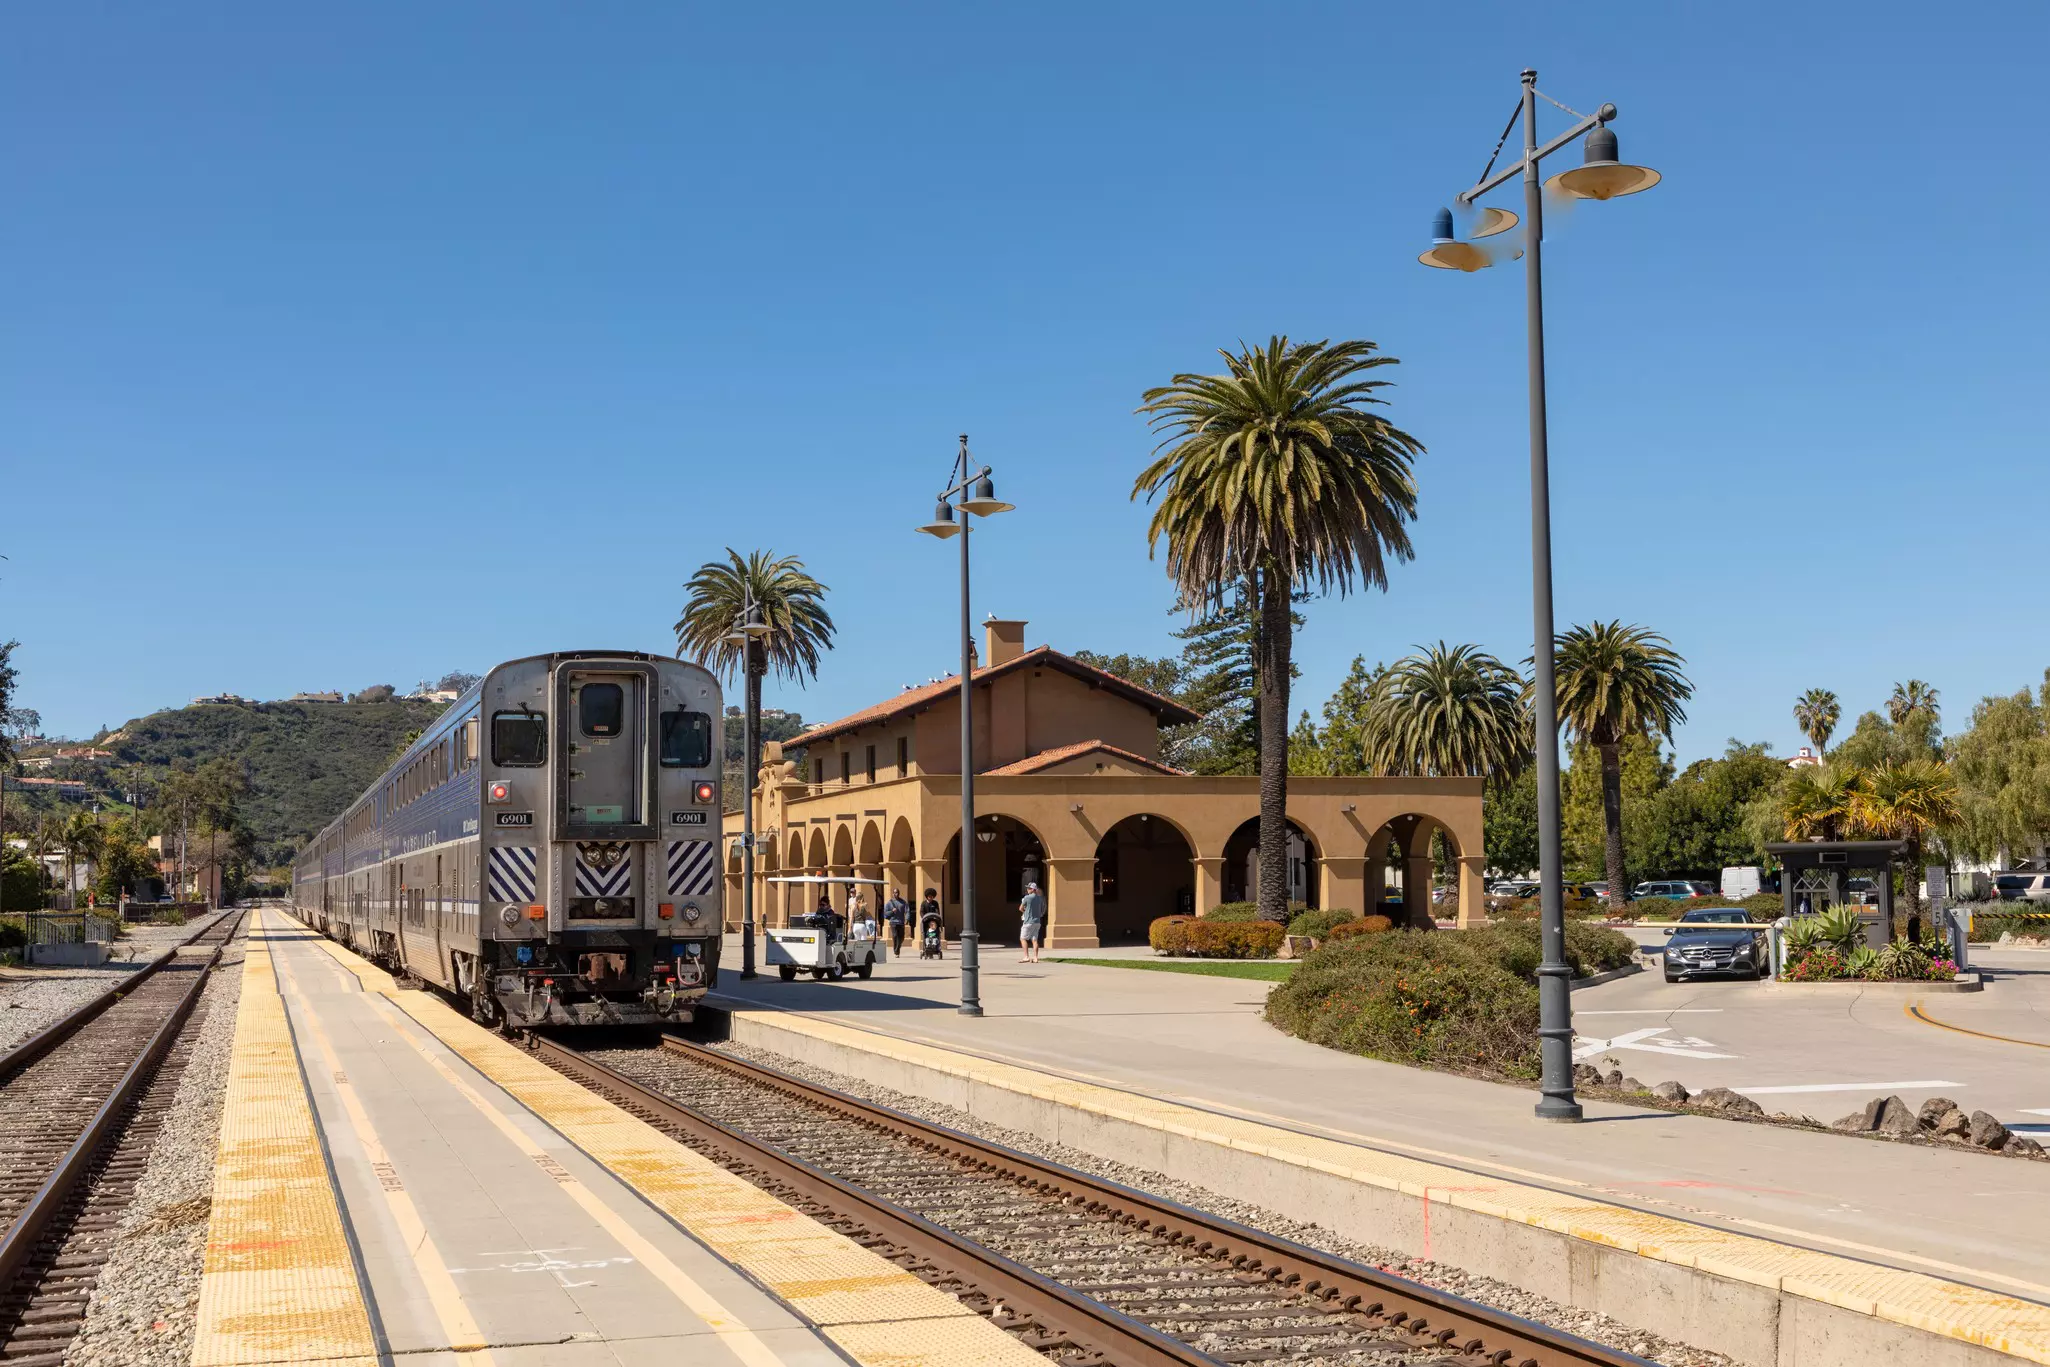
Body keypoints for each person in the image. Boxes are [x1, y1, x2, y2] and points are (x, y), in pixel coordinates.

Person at [1018, 881, 1047, 963]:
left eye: (1029, 888)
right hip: (1037, 922)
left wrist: (1025, 911)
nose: (1027, 889)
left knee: (1023, 938)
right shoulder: (1039, 898)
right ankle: (1036, 957)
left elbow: (1020, 908)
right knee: (1034, 940)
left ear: (1033, 889)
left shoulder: (1027, 898)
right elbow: (1041, 909)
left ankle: (1026, 956)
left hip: (1028, 922)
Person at [919, 888, 944, 959]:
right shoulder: (924, 903)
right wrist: (923, 917)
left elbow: (937, 911)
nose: (930, 898)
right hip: (926, 922)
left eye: (932, 897)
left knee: (935, 935)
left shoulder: (935, 903)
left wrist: (937, 917)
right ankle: (927, 947)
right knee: (927, 935)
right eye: (929, 896)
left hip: (934, 922)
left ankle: (935, 947)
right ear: (927, 896)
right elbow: (921, 912)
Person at [884, 888, 910, 954]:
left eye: (897, 892)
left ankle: (898, 947)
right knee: (895, 936)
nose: (896, 894)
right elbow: (885, 913)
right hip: (893, 922)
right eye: (895, 892)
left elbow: (907, 911)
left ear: (899, 893)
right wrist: (891, 911)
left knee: (901, 937)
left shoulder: (903, 902)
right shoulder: (889, 903)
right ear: (893, 894)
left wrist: (907, 918)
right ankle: (896, 951)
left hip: (901, 922)